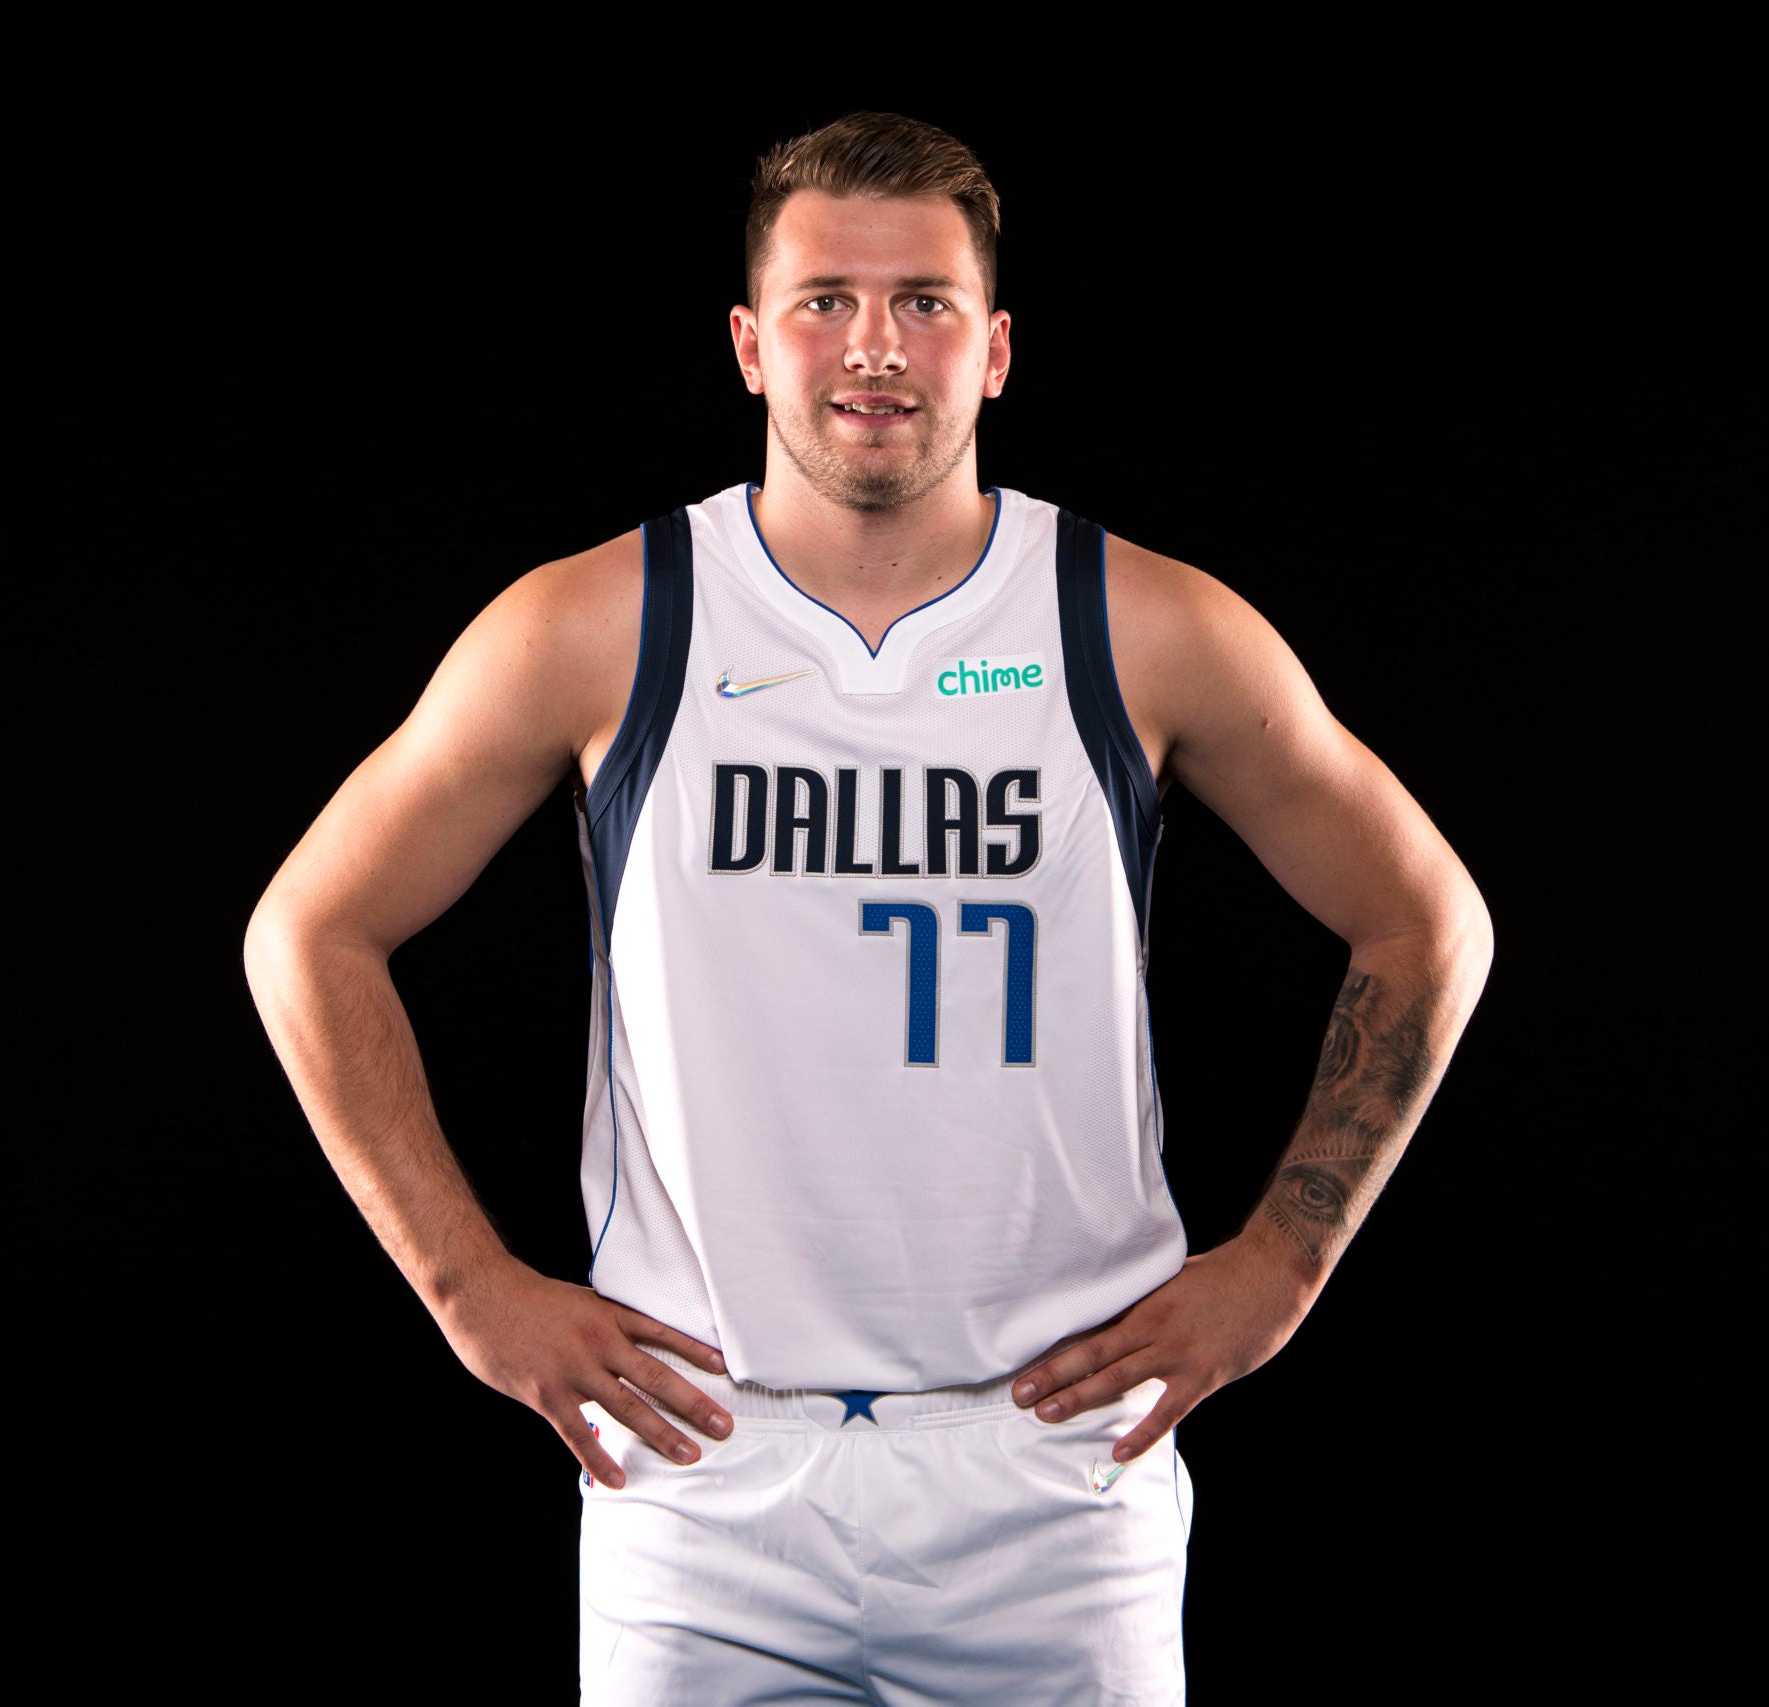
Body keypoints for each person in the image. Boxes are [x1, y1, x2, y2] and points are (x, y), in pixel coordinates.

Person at [244, 110, 1493, 1705]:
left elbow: (1427, 920)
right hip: (702, 1467)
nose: (876, 349)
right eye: (827, 301)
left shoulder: (1146, 626)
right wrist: (467, 1289)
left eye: (926, 303)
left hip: (1054, 1467)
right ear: (751, 346)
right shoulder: (601, 625)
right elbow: (307, 932)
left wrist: (1284, 1263)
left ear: (999, 349)